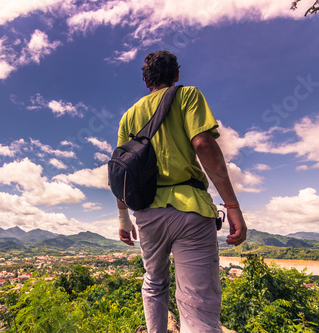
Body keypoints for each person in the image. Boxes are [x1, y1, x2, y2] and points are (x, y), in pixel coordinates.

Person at [116, 50, 247, 333]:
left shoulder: (129, 117)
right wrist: (232, 207)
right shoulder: (186, 95)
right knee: (197, 304)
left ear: (145, 80)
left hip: (148, 213)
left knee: (154, 282)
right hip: (191, 209)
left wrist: (123, 220)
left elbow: (121, 169)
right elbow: (203, 145)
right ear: (176, 75)